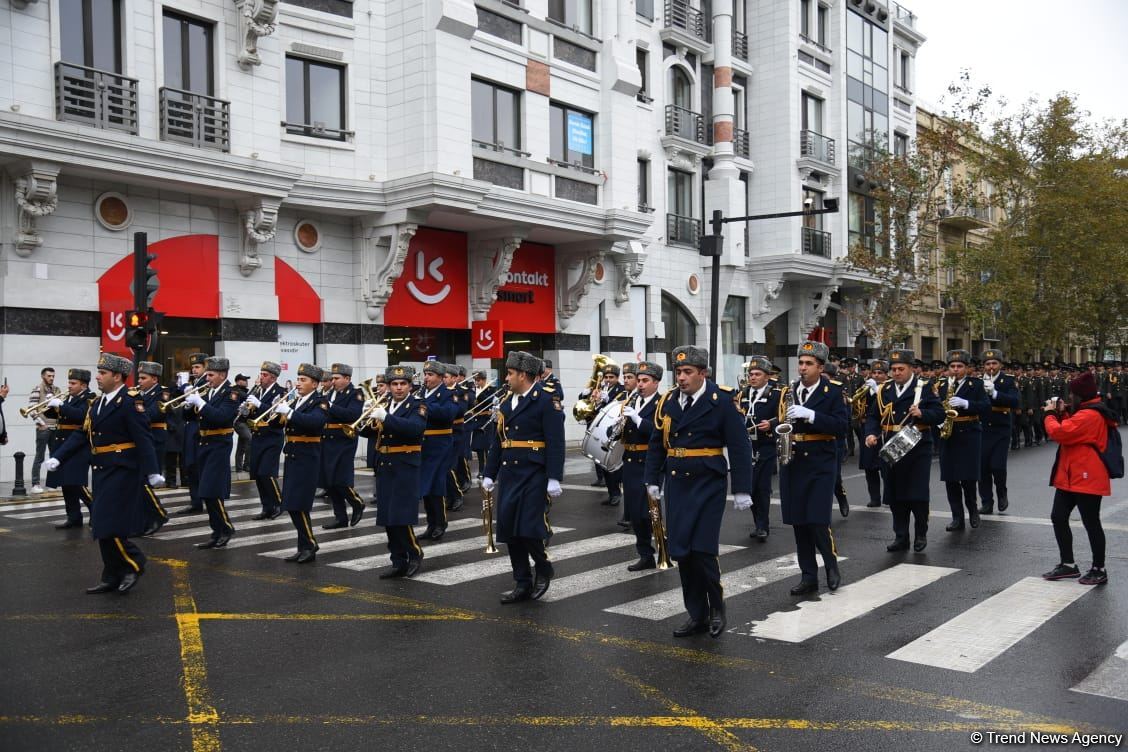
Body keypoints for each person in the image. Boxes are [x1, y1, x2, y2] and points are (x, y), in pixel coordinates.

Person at [644, 346, 751, 636]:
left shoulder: (722, 401)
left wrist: (742, 488)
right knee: (682, 552)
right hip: (678, 481)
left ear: (702, 373)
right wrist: (652, 478)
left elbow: (740, 446)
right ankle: (697, 613)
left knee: (702, 551)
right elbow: (657, 442)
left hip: (707, 482)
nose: (681, 378)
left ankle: (717, 608)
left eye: (688, 372)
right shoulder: (668, 401)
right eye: (678, 372)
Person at [43, 354, 163, 593]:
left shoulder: (130, 401)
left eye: (102, 373)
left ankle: (133, 563)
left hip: (123, 470)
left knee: (109, 523)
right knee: (100, 523)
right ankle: (111, 575)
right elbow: (82, 434)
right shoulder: (97, 403)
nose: (97, 377)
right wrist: (59, 456)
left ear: (117, 376)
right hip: (101, 469)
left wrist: (152, 471)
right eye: (98, 372)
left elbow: (143, 437)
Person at [482, 351, 565, 603]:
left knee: (529, 528)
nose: (506, 378)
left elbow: (555, 442)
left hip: (534, 472)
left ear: (524, 375)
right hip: (510, 473)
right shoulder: (508, 402)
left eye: (509, 373)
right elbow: (499, 442)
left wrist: (554, 477)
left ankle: (542, 567)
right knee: (509, 530)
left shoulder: (546, 400)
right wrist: (489, 473)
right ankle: (522, 581)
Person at [777, 341, 849, 596]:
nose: (803, 368)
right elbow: (783, 419)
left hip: (820, 461)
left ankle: (831, 566)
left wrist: (811, 415)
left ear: (820, 367)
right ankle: (808, 576)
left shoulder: (833, 392)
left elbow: (842, 425)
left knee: (817, 520)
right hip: (794, 461)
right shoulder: (790, 390)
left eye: (808, 364)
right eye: (801, 363)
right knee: (799, 522)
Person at [1041, 371, 1118, 586]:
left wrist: (1049, 415)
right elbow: (1073, 429)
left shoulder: (1090, 414)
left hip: (1087, 476)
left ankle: (1098, 568)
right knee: (1058, 516)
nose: (1069, 397)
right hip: (1071, 474)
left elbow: (1062, 434)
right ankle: (1068, 564)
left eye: (1072, 394)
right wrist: (1063, 414)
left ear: (1080, 395)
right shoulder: (1085, 411)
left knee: (1091, 522)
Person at [865, 349, 945, 553]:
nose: (896, 372)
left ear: (911, 369)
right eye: (893, 369)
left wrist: (922, 413)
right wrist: (871, 433)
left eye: (901, 368)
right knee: (895, 494)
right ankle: (901, 536)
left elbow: (939, 414)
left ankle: (920, 533)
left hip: (917, 447)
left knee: (916, 494)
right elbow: (874, 415)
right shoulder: (885, 389)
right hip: (891, 445)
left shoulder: (924, 387)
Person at [365, 365, 427, 578]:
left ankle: (415, 553)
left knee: (401, 515)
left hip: (405, 464)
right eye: (394, 384)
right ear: (389, 386)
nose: (398, 388)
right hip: (385, 463)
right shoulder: (385, 404)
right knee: (387, 516)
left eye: (403, 384)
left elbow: (414, 429)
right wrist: (365, 415)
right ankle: (397, 560)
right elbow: (368, 432)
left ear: (410, 386)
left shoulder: (417, 405)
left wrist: (386, 417)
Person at [184, 357, 243, 549]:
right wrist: (188, 404)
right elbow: (190, 416)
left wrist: (200, 403)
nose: (206, 378)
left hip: (219, 443)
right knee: (205, 490)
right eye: (207, 374)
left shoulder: (231, 393)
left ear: (222, 375)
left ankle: (225, 528)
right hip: (204, 443)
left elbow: (222, 417)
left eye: (210, 375)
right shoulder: (209, 391)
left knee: (211, 489)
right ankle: (216, 531)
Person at [273, 363, 328, 563]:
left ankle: (310, 544)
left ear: (314, 384)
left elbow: (315, 423)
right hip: (293, 455)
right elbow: (277, 423)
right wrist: (271, 409)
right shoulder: (296, 400)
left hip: (307, 457)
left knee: (300, 503)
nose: (298, 383)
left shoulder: (320, 402)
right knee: (291, 503)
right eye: (298, 379)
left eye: (303, 380)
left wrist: (290, 413)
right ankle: (303, 546)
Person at [936, 350, 990, 534]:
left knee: (968, 478)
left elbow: (985, 406)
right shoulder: (941, 385)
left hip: (969, 433)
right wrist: (938, 420)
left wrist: (966, 403)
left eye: (959, 366)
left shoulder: (976, 384)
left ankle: (973, 511)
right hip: (948, 434)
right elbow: (934, 407)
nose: (956, 370)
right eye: (952, 366)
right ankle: (956, 517)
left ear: (967, 368)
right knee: (951, 479)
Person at [620, 360, 663, 568]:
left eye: (645, 380)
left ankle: (661, 548)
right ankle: (645, 554)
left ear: (656, 382)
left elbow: (659, 432)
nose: (640, 384)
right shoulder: (631, 401)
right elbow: (622, 432)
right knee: (635, 513)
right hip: (630, 461)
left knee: (649, 511)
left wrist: (638, 420)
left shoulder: (662, 404)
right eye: (639, 380)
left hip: (649, 461)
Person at [42, 368, 95, 529]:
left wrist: (62, 406)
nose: (69, 386)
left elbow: (81, 416)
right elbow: (55, 416)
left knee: (76, 483)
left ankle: (96, 512)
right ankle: (74, 517)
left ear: (83, 385)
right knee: (65, 483)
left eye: (73, 383)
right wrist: (52, 406)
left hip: (77, 446)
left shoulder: (89, 398)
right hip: (63, 445)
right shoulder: (70, 398)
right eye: (69, 382)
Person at [739, 356, 781, 541]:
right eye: (751, 374)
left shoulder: (776, 394)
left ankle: (763, 526)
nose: (753, 377)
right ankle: (758, 522)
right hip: (747, 446)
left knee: (762, 487)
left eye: (757, 374)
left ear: (767, 377)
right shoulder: (743, 394)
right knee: (750, 488)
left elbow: (786, 416)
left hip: (766, 445)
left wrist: (772, 423)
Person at [321, 363, 366, 530]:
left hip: (344, 439)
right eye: (332, 378)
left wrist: (331, 407)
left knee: (341, 479)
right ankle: (340, 517)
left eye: (336, 378)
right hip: (327, 439)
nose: (333, 381)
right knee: (329, 481)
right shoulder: (329, 393)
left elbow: (353, 415)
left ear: (347, 378)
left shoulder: (356, 393)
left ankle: (357, 502)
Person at [417, 361, 457, 540]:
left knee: (436, 485)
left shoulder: (448, 394)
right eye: (425, 374)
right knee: (425, 485)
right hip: (423, 445)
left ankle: (440, 523)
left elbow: (448, 414)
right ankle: (431, 523)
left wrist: (423, 406)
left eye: (430, 374)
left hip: (440, 444)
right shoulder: (421, 393)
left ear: (441, 377)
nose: (426, 377)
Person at [243, 361, 288, 520]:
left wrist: (259, 404)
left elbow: (274, 415)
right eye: (261, 374)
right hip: (258, 435)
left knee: (267, 473)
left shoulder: (281, 392)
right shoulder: (257, 391)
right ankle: (266, 507)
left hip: (272, 436)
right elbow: (250, 415)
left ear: (273, 378)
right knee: (257, 474)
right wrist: (245, 410)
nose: (261, 377)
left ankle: (279, 503)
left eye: (265, 375)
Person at [978, 349, 1020, 514]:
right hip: (982, 428)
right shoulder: (977, 382)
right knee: (982, 468)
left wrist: (995, 393)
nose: (991, 366)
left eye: (994, 363)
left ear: (1000, 364)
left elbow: (1015, 401)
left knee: (997, 466)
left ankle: (1002, 492)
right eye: (987, 364)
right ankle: (987, 502)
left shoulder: (1008, 380)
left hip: (1001, 428)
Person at [173, 353, 209, 515]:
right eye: (193, 367)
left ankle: (203, 499)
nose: (194, 370)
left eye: (197, 367)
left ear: (205, 367)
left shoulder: (207, 383)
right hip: (189, 427)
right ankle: (195, 501)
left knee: (198, 466)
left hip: (199, 427)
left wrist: (188, 391)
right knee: (190, 466)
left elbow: (203, 406)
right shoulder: (195, 383)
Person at [136, 362, 170, 535]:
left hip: (155, 439)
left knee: (146, 480)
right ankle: (146, 518)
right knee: (139, 480)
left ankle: (157, 515)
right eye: (139, 377)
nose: (139, 381)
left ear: (154, 379)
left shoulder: (162, 394)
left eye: (143, 378)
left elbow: (152, 414)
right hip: (142, 439)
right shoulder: (138, 393)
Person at [857, 360, 888, 507]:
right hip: (868, 429)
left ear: (886, 375)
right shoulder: (866, 387)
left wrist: (877, 391)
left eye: (880, 373)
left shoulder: (889, 388)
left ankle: (888, 496)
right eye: (874, 373)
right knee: (870, 465)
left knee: (886, 465)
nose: (876, 375)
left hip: (884, 429)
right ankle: (874, 497)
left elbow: (888, 405)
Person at [28, 366, 61, 493]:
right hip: (43, 428)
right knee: (39, 456)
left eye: (53, 376)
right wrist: (41, 423)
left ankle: (52, 484)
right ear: (43, 376)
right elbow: (31, 409)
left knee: (55, 456)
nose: (51, 378)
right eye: (49, 376)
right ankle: (35, 484)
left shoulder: (56, 390)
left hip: (55, 427)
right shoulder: (38, 389)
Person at [443, 364, 470, 513]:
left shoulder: (461, 392)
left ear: (454, 378)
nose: (444, 380)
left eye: (446, 377)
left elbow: (461, 410)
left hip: (456, 432)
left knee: (449, 466)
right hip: (441, 433)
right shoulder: (439, 392)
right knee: (443, 467)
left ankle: (456, 494)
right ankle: (448, 495)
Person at [468, 370, 497, 476]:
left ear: (484, 379)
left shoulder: (491, 389)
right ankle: (482, 469)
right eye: (475, 380)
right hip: (476, 420)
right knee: (478, 448)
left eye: (478, 380)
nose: (476, 382)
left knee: (484, 447)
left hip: (486, 420)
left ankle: (484, 470)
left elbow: (489, 402)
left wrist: (479, 394)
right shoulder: (473, 390)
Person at [162, 388, 184, 488]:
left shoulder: (178, 403)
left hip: (180, 434)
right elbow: (164, 417)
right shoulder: (165, 403)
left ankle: (183, 480)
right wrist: (171, 425)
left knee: (181, 460)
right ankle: (170, 481)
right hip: (170, 435)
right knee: (170, 461)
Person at [232, 374, 252, 473]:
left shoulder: (244, 391)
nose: (246, 382)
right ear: (238, 381)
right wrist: (257, 387)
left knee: (242, 443)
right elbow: (247, 397)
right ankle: (247, 465)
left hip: (245, 422)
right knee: (249, 439)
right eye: (244, 380)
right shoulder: (235, 390)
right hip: (238, 421)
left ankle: (239, 467)